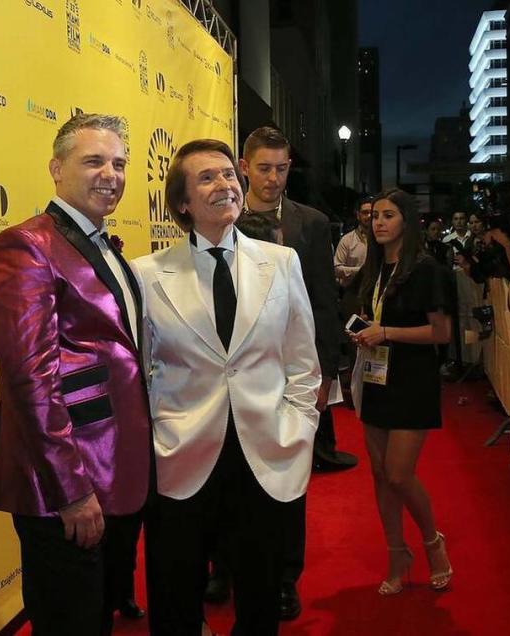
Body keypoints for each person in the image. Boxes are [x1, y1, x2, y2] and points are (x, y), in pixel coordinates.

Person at [133, 138, 321, 635]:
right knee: (175, 594)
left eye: (228, 175)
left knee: (259, 595)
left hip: (263, 449)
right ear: (182, 203)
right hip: (182, 452)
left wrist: (298, 427)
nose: (225, 185)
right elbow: (141, 370)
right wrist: (158, 435)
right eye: (207, 178)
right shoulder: (148, 274)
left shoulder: (281, 263)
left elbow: (303, 361)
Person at [0, 113, 151, 635]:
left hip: (112, 468)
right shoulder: (26, 245)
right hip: (62, 483)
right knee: (69, 621)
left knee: (93, 614)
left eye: (119, 163)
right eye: (93, 160)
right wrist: (70, 490)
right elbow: (30, 378)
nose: (111, 174)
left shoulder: (101, 243)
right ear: (56, 168)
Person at [237, 126, 351, 619]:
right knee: (229, 474)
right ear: (245, 166)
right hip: (232, 372)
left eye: (281, 168)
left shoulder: (313, 224)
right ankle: (226, 568)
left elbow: (325, 303)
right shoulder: (219, 215)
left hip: (291, 374)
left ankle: (285, 578)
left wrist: (325, 375)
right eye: (263, 168)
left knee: (288, 478)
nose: (273, 178)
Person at [350, 188, 454, 595]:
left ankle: (432, 542)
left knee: (398, 473)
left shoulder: (425, 269)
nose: (378, 222)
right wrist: (364, 329)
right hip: (376, 378)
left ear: (406, 223)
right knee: (379, 475)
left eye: (388, 215)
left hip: (412, 380)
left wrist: (387, 331)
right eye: (374, 215)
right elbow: (370, 315)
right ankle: (397, 553)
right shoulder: (374, 269)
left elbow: (440, 332)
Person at [334, 198, 372, 288]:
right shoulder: (347, 240)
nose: (369, 216)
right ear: (358, 215)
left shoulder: (382, 238)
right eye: (365, 213)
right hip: (352, 291)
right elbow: (336, 268)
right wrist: (361, 271)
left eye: (372, 212)